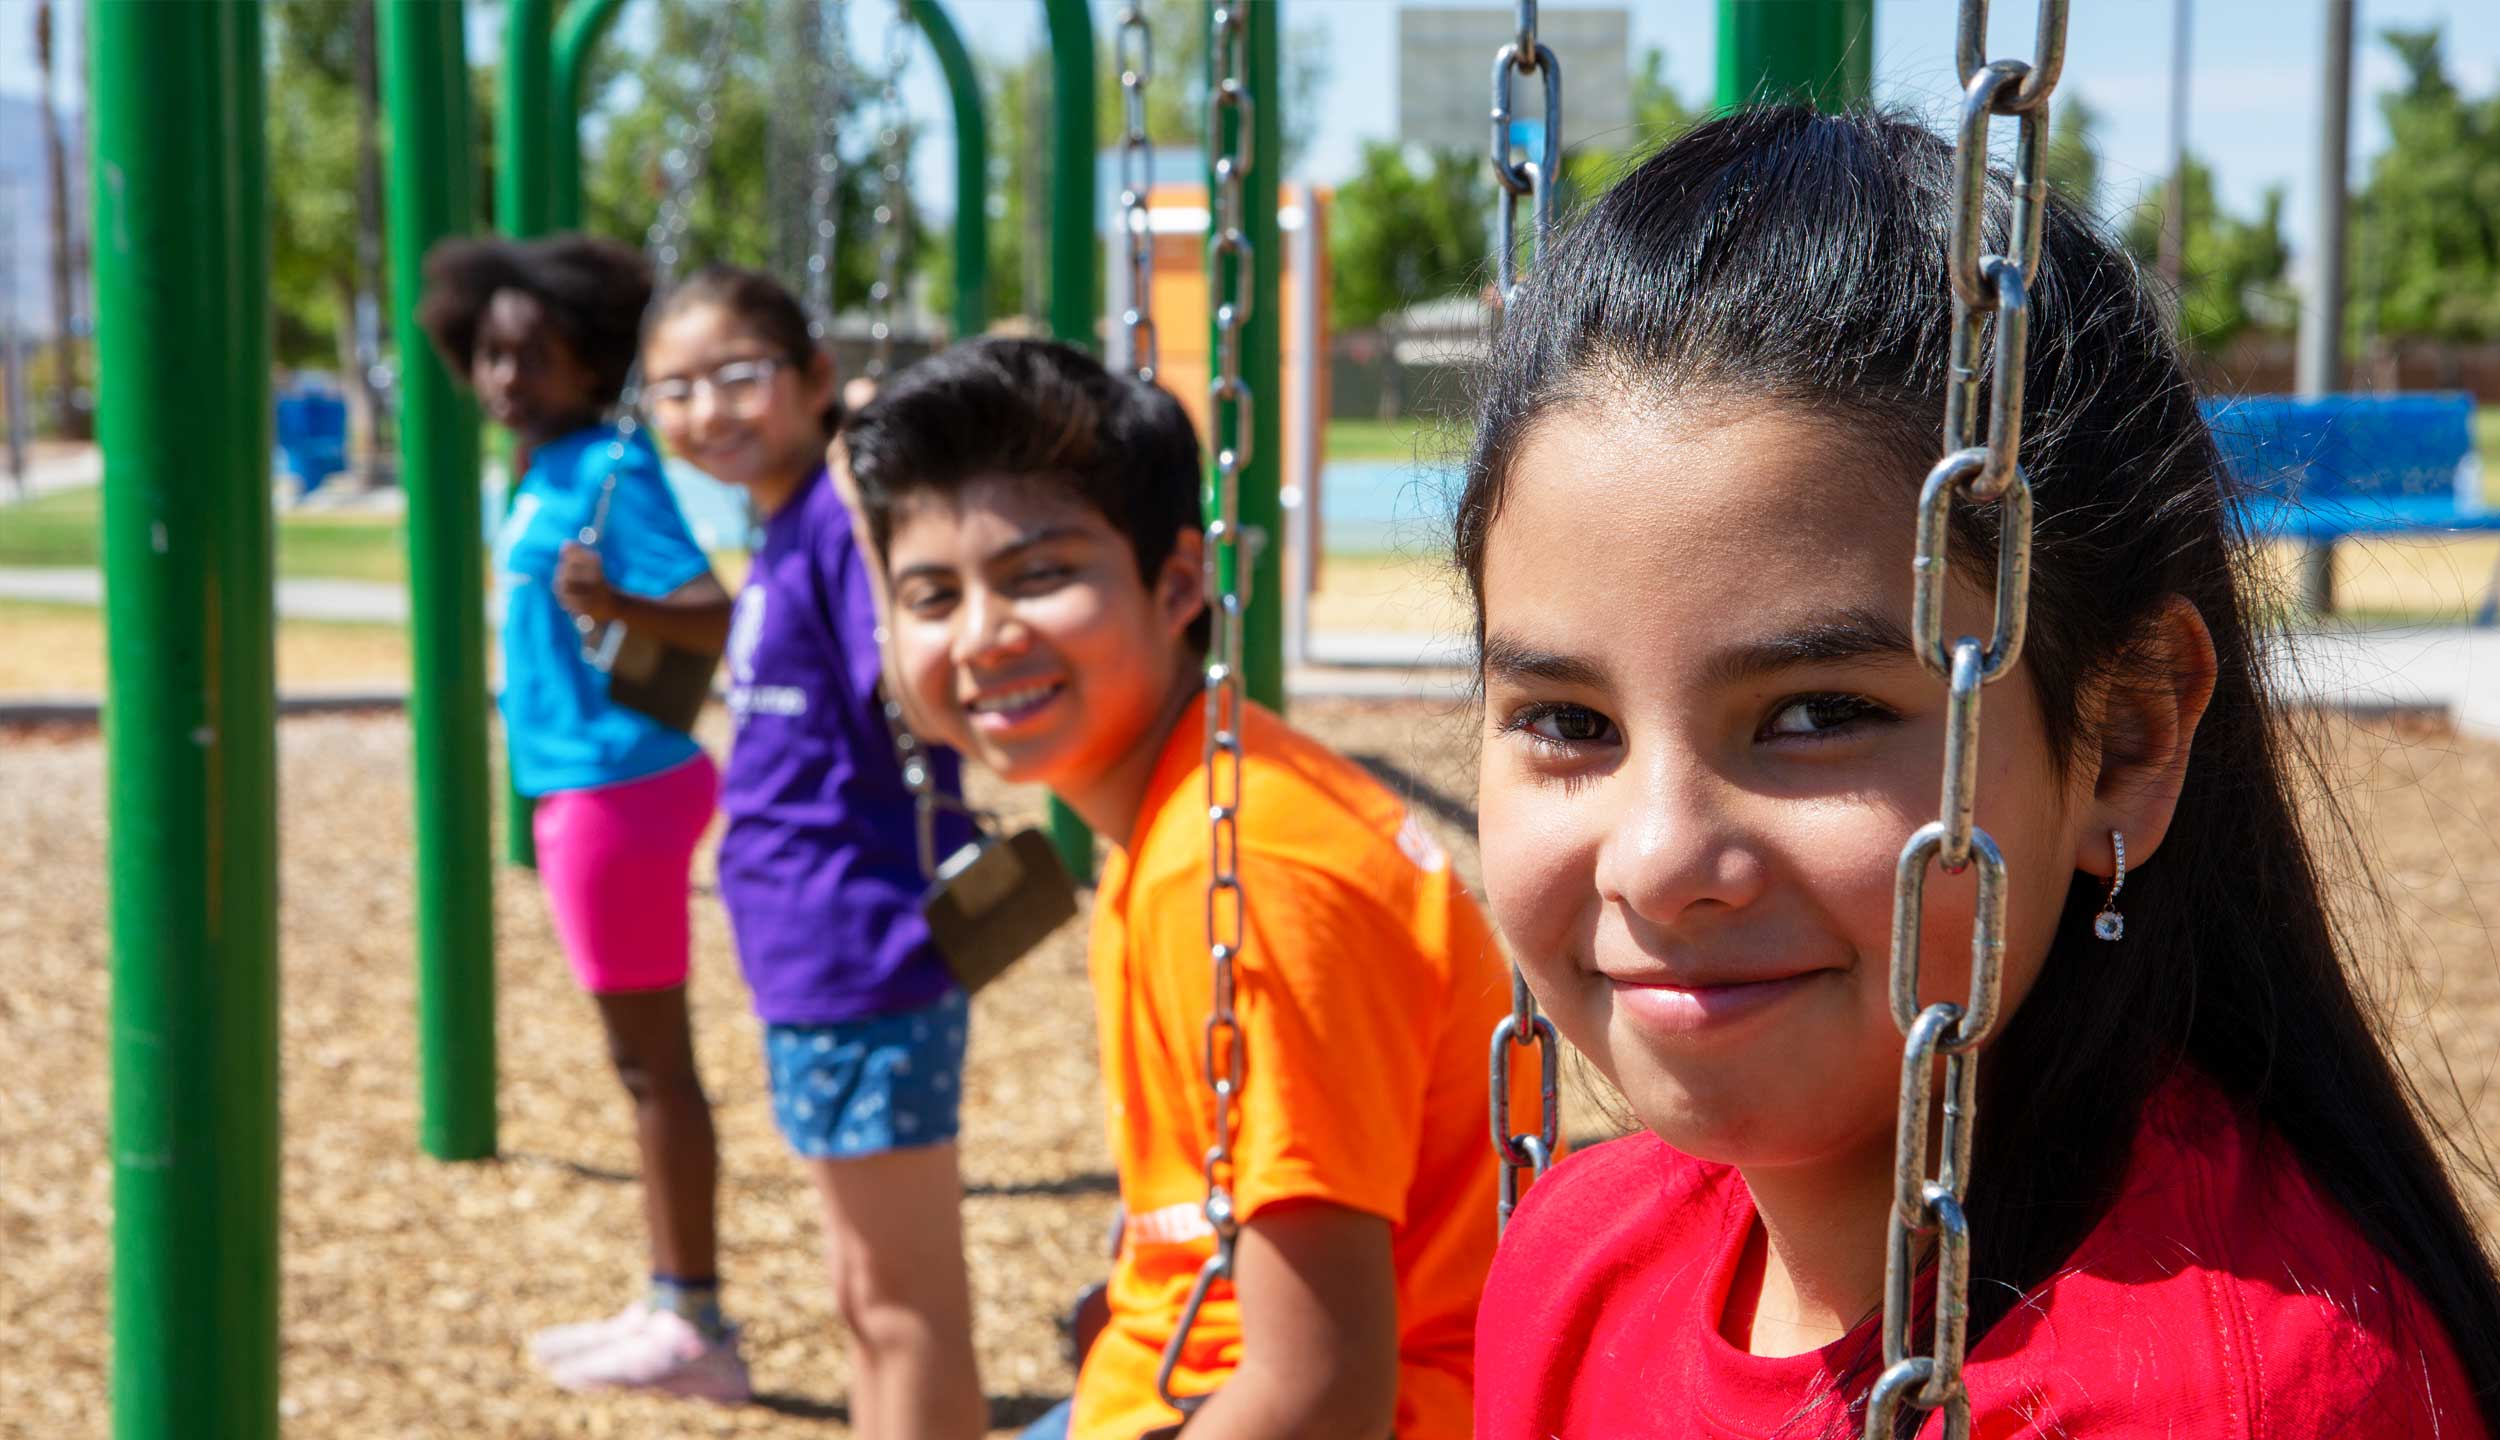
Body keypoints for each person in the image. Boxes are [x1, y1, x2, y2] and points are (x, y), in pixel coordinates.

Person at [1458, 106, 2500, 1436]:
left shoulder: (2235, 1402)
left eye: (1819, 710)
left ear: (2125, 739)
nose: (1659, 859)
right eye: (1568, 721)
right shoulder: (1578, 1263)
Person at [844, 337, 1538, 1440]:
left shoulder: (1244, 873)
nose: (982, 636)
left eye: (1040, 575)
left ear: (1175, 586)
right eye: (932, 594)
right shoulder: (1195, 809)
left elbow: (1323, 1390)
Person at [625, 263, 986, 1440]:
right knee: (860, 1292)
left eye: (737, 376)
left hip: (865, 945)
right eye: (673, 389)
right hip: (813, 955)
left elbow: (919, 692)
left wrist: (872, 500)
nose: (704, 411)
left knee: (900, 1302)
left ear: (815, 378)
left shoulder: (837, 520)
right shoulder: (784, 527)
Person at [416, 234, 746, 1402]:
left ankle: (694, 1324)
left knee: (654, 1066)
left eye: (534, 358)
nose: (506, 379)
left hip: (618, 787)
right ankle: (672, 1300)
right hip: (589, 782)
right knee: (641, 1061)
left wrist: (613, 600)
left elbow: (713, 613)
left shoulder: (608, 465)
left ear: (587, 360)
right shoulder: (550, 464)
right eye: (491, 355)